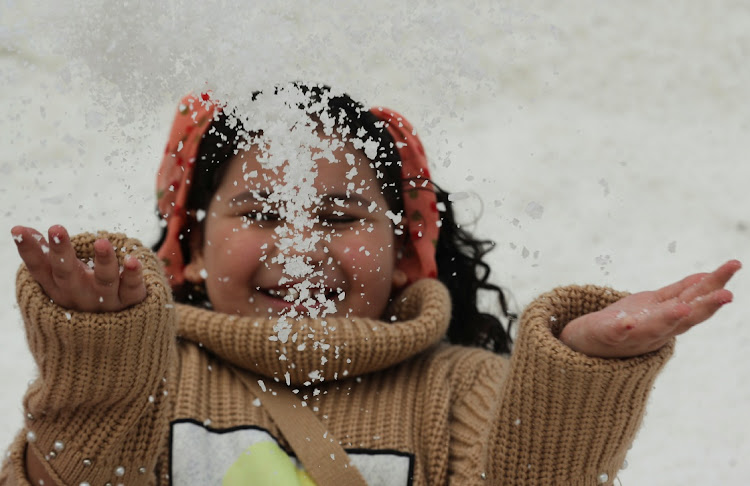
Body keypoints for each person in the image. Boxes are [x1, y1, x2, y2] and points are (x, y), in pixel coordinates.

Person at [0, 83, 740, 486]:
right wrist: (96, 361)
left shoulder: (468, 391)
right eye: (261, 212)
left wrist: (582, 372)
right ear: (189, 246)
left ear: (404, 252)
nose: (300, 247)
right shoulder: (144, 379)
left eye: (339, 214)